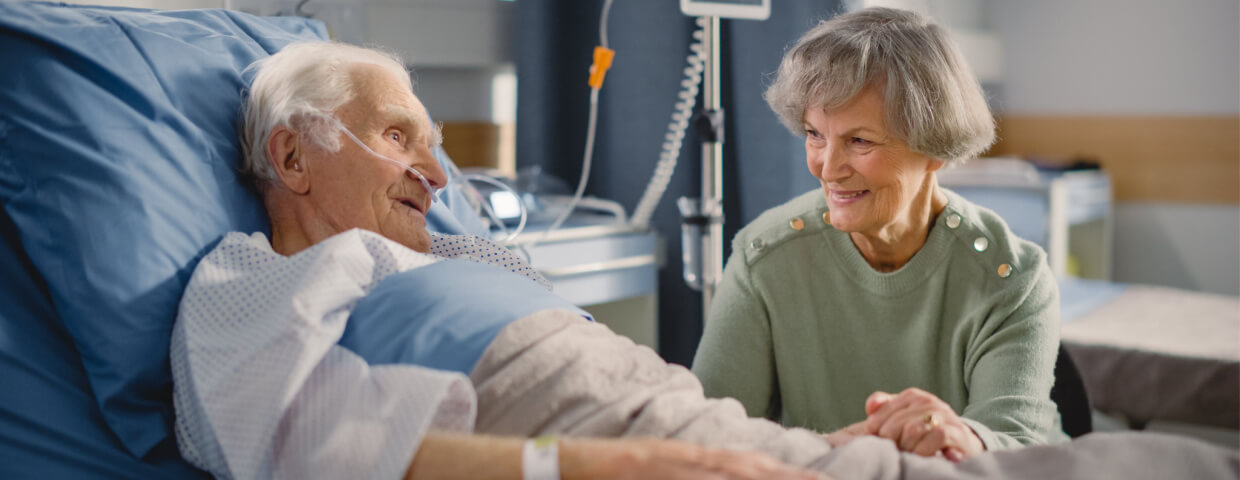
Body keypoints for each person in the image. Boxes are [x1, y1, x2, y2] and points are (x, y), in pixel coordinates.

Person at [169, 38, 1238, 480]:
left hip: (662, 418)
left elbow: (699, 426)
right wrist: (597, 466)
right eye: (399, 134)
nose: (433, 165)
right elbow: (288, 438)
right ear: (290, 156)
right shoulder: (257, 277)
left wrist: (810, 440)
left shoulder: (1007, 270)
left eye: (432, 138)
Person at [692, 6, 1063, 462]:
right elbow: (707, 443)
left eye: (860, 141)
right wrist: (831, 451)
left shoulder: (1012, 279)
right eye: (814, 134)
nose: (827, 169)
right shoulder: (764, 260)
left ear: (934, 147)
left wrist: (963, 438)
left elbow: (1022, 454)